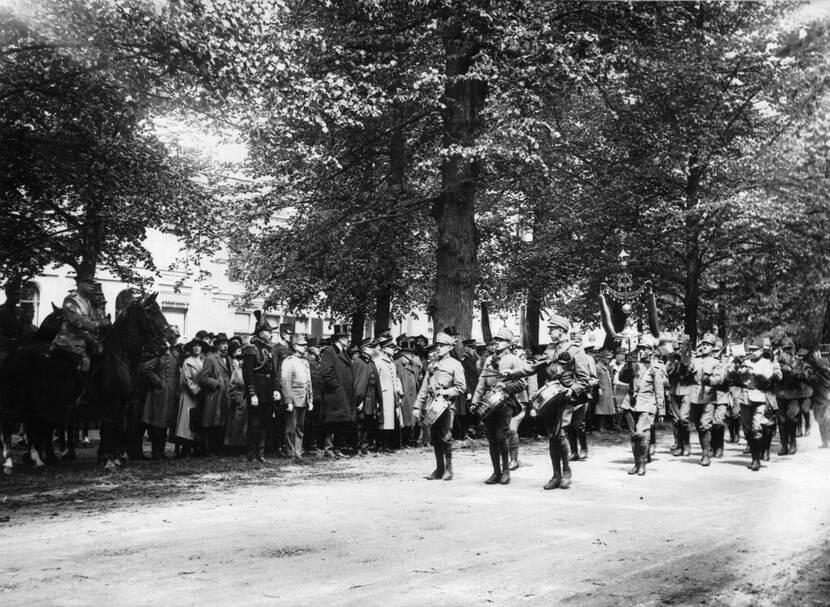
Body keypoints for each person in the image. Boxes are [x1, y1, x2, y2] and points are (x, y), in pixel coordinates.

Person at [507, 315, 590, 490]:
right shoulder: (550, 349)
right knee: (552, 437)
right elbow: (533, 367)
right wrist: (512, 374)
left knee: (559, 434)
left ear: (561, 330)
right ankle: (556, 475)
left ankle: (566, 472)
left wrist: (572, 389)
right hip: (549, 397)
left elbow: (584, 379)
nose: (549, 332)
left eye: (551, 329)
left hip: (566, 398)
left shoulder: (576, 350)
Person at [471, 328, 526, 484]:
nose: (496, 343)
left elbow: (522, 384)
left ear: (508, 343)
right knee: (491, 438)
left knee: (501, 436)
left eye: (500, 340)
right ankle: (496, 472)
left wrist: (505, 387)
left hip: (506, 402)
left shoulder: (514, 359)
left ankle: (506, 471)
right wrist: (475, 400)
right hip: (489, 402)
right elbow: (481, 382)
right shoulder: (488, 360)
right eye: (496, 340)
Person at [413, 332, 466, 481]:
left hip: (446, 406)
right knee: (435, 437)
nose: (439, 348)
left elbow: (461, 387)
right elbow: (424, 388)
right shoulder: (432, 365)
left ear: (449, 347)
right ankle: (439, 468)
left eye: (442, 346)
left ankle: (449, 469)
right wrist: (417, 406)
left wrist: (447, 392)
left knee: (446, 436)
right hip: (432, 406)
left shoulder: (455, 364)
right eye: (437, 345)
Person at [618, 335, 665, 476]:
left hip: (647, 403)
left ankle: (643, 464)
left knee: (641, 432)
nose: (641, 351)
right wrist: (627, 365)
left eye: (644, 349)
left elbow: (659, 390)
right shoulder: (634, 365)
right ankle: (636, 464)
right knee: (633, 435)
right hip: (631, 402)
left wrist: (661, 410)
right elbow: (622, 379)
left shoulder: (655, 368)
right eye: (639, 349)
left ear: (651, 351)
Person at [50, 271, 110, 373]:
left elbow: (93, 320)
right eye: (88, 282)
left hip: (86, 340)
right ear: (80, 285)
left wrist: (102, 322)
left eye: (92, 282)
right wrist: (99, 324)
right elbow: (78, 321)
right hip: (70, 341)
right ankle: (80, 388)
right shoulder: (71, 300)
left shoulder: (87, 301)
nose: (92, 285)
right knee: (85, 362)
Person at [737, 336, 782, 470]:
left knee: (757, 427)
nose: (752, 352)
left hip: (762, 396)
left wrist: (752, 369)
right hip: (745, 397)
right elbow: (736, 377)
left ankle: (757, 458)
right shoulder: (745, 361)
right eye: (750, 349)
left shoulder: (768, 363)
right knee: (747, 428)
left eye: (755, 350)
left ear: (762, 350)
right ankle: (755, 453)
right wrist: (737, 368)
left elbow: (769, 377)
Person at [243, 311, 279, 462]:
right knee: (255, 423)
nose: (270, 334)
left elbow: (273, 371)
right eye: (268, 331)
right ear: (260, 332)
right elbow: (247, 374)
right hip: (257, 390)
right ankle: (251, 453)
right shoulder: (251, 348)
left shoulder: (270, 348)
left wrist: (276, 389)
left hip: (268, 389)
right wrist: (252, 394)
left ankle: (261, 453)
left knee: (265, 423)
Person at [140, 325, 181, 460]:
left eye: (177, 337)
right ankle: (156, 452)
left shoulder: (176, 354)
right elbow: (147, 369)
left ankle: (161, 451)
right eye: (174, 336)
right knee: (157, 424)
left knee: (165, 424)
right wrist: (159, 383)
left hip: (171, 394)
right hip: (158, 395)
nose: (176, 339)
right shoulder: (158, 352)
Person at [685, 333, 725, 466]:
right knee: (698, 426)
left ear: (713, 347)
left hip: (708, 396)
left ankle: (706, 455)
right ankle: (705, 450)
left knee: (705, 424)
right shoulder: (695, 360)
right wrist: (687, 367)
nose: (705, 347)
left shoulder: (716, 362)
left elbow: (719, 379)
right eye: (703, 344)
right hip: (695, 397)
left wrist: (710, 380)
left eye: (708, 345)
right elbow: (687, 372)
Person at [320, 326, 356, 459]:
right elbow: (325, 372)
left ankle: (337, 448)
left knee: (342, 422)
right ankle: (328, 449)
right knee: (332, 421)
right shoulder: (330, 351)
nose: (348, 339)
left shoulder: (344, 352)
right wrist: (336, 387)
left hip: (344, 394)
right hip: (335, 394)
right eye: (346, 337)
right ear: (339, 339)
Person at [775, 337, 812, 455]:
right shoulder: (776, 361)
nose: (787, 351)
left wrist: (791, 369)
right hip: (780, 394)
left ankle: (793, 443)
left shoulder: (798, 362)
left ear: (793, 348)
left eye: (789, 348)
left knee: (792, 418)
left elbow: (806, 376)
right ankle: (784, 445)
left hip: (793, 394)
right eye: (784, 348)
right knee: (781, 421)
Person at [281, 333, 313, 460]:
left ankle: (298, 452)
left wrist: (310, 399)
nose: (305, 347)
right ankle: (290, 452)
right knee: (290, 428)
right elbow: (285, 382)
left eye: (306, 345)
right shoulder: (289, 361)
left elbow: (309, 382)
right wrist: (288, 400)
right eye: (302, 345)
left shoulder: (305, 362)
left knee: (300, 427)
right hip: (293, 399)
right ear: (295, 346)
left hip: (303, 398)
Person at [200, 332, 232, 455]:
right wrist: (216, 383)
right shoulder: (211, 358)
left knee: (224, 421)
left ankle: (221, 448)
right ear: (217, 345)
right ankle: (212, 449)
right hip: (215, 395)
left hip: (227, 394)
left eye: (226, 343)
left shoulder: (229, 359)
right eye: (222, 344)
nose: (225, 346)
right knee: (214, 422)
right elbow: (203, 378)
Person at [174, 338, 206, 457]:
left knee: (197, 421)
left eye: (199, 346)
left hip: (202, 395)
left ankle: (196, 448)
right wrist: (197, 390)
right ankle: (185, 449)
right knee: (187, 422)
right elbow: (187, 380)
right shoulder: (188, 362)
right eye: (194, 346)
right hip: (189, 395)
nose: (196, 348)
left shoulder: (204, 361)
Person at [376, 333, 404, 451]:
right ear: (384, 349)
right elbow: (376, 379)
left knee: (391, 420)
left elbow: (395, 378)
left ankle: (388, 444)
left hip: (392, 395)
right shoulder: (378, 361)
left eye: (393, 348)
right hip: (383, 394)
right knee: (384, 420)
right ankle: (381, 444)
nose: (393, 350)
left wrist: (397, 391)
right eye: (391, 348)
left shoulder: (391, 362)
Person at [395, 338, 423, 447]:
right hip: (404, 395)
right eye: (411, 353)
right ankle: (403, 441)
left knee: (413, 419)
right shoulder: (397, 364)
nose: (413, 356)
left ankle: (411, 440)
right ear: (405, 353)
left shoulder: (413, 364)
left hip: (413, 395)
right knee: (405, 419)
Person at [224, 341, 248, 451]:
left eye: (244, 359)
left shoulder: (251, 372)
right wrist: (238, 400)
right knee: (237, 424)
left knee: (247, 425)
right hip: (240, 400)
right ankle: (234, 446)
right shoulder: (236, 372)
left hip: (250, 400)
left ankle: (245, 446)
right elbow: (232, 388)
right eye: (240, 359)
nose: (242, 361)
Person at [594, 349, 616, 431]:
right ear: (602, 358)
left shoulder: (607, 367)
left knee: (606, 409)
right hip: (601, 390)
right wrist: (599, 388)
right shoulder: (598, 367)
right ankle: (600, 426)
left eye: (609, 359)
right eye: (607, 358)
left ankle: (604, 426)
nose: (608, 360)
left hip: (607, 390)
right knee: (600, 410)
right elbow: (595, 378)